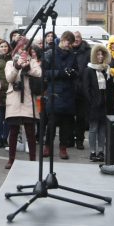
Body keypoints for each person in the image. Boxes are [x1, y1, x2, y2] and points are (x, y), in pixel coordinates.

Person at [3, 41, 42, 168]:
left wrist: (27, 68)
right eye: (20, 49)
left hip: (28, 99)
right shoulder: (10, 62)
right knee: (13, 131)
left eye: (26, 49)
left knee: (30, 131)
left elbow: (39, 73)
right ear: (17, 49)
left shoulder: (32, 61)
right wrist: (17, 67)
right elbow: (9, 78)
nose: (23, 51)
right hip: (14, 99)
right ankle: (11, 159)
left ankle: (32, 160)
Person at [42, 31, 80, 160]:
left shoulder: (72, 56)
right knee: (51, 123)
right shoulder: (50, 54)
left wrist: (72, 73)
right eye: (66, 42)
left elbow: (77, 72)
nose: (68, 45)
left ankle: (63, 148)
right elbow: (45, 73)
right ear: (62, 40)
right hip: (54, 93)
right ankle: (47, 146)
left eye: (70, 43)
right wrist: (61, 73)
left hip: (68, 93)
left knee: (66, 124)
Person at [82, 43, 114, 163]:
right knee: (93, 128)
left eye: (102, 54)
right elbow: (86, 88)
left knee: (102, 129)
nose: (100, 57)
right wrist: (92, 101)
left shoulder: (107, 70)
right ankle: (92, 152)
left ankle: (101, 151)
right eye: (98, 54)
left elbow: (110, 88)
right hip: (93, 104)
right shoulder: (89, 70)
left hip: (104, 103)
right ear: (94, 56)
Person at [71, 31, 92, 150]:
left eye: (78, 37)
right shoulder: (67, 51)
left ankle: (79, 140)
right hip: (69, 88)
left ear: (81, 38)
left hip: (83, 88)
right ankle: (68, 140)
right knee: (68, 116)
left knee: (81, 117)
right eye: (74, 37)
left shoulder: (87, 51)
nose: (76, 39)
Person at [0, 40, 12, 149]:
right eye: (2, 46)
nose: (4, 48)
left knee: (8, 117)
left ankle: (5, 138)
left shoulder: (12, 59)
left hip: (10, 91)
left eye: (6, 46)